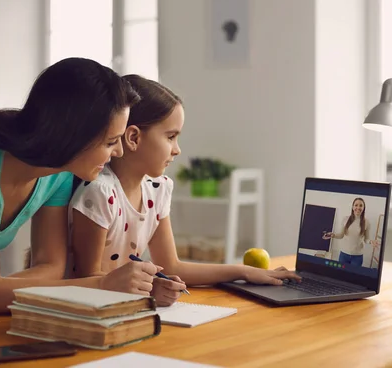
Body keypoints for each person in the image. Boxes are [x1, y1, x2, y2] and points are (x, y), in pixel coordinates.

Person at [0, 58, 161, 316]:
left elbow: (50, 266)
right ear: (73, 134)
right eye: (111, 141)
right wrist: (103, 285)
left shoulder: (58, 174)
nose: (118, 151)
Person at [69, 74, 301, 307]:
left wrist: (244, 272)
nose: (177, 150)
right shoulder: (99, 193)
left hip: (124, 307)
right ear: (133, 138)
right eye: (170, 137)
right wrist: (146, 290)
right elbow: (88, 281)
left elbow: (172, 266)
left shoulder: (158, 189)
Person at [321, 198, 379, 266]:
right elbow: (341, 235)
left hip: (357, 257)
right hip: (344, 255)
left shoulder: (367, 222)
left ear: (363, 208)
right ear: (352, 207)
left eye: (361, 205)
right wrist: (333, 235)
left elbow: (366, 239)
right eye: (356, 205)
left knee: (353, 276)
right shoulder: (345, 219)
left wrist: (371, 242)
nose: (358, 207)